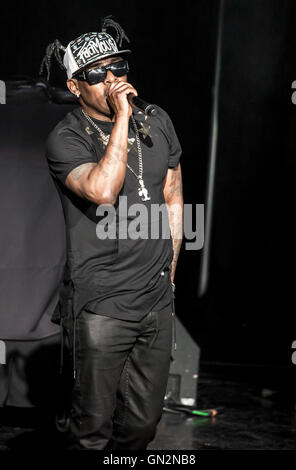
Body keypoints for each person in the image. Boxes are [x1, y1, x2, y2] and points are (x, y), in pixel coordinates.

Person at [45, 16, 183, 450]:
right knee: (91, 432)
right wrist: (122, 116)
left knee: (141, 428)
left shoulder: (158, 120)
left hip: (156, 300)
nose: (112, 80)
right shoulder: (65, 138)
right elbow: (102, 191)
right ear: (74, 86)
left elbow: (173, 192)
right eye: (96, 74)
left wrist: (171, 270)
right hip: (102, 304)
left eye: (118, 67)